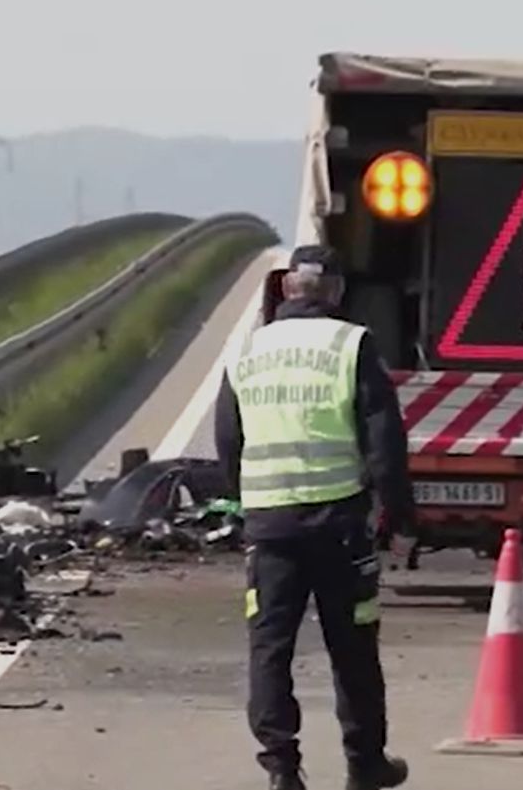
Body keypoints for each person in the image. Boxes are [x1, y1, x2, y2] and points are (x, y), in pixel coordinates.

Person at [214, 244, 416, 790]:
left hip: (270, 528)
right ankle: (364, 764)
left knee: (270, 649)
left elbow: (228, 440)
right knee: (353, 650)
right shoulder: (351, 345)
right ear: (337, 292)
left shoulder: (246, 350)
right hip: (339, 525)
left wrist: (245, 502)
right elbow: (384, 442)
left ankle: (282, 767)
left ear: (285, 288)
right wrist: (399, 518)